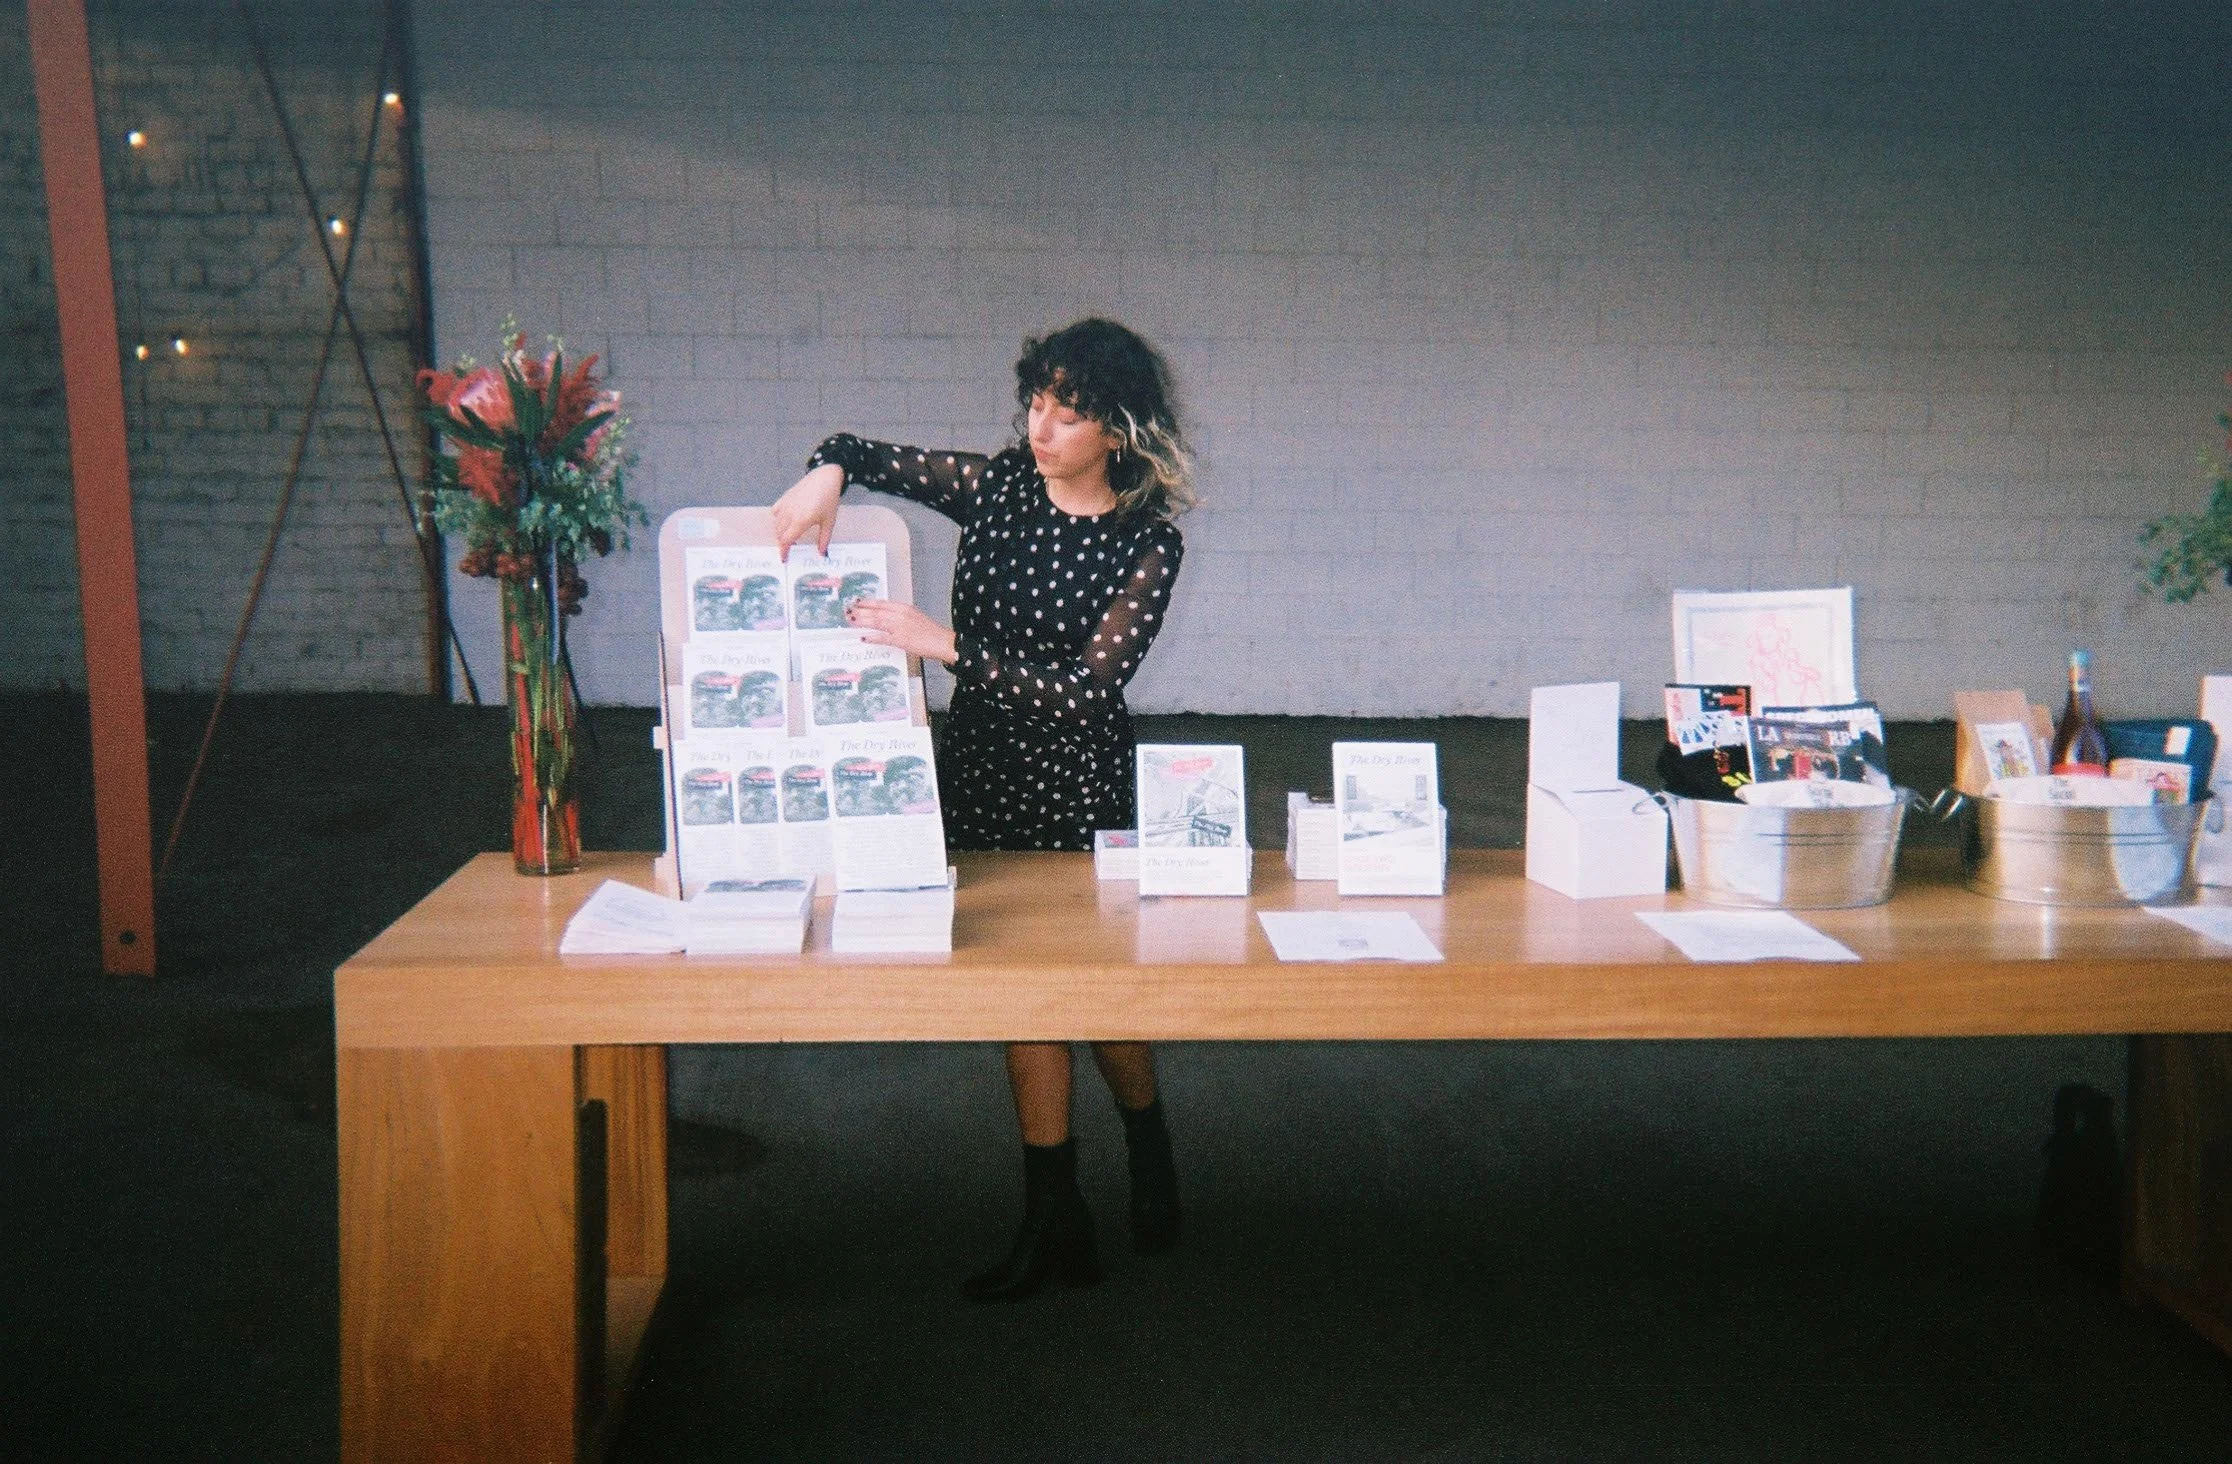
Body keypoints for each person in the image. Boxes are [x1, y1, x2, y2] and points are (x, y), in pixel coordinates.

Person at [771, 317, 1194, 1302]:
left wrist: (943, 646)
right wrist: (826, 471)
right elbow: (865, 452)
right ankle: (1054, 1213)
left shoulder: (1149, 545)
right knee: (1020, 1000)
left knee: (1098, 1007)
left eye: (1069, 410)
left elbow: (1092, 691)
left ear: (1119, 433)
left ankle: (1148, 1139)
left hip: (1083, 789)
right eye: (1036, 402)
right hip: (985, 776)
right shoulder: (1000, 487)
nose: (1040, 426)